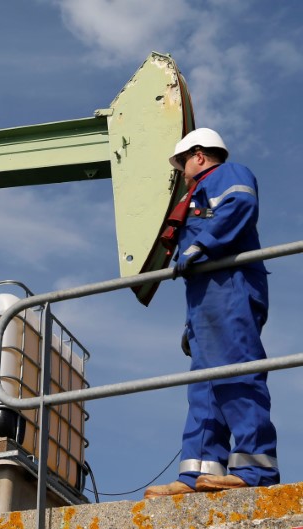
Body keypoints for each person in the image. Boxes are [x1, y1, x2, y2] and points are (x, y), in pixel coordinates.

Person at [144, 128, 279, 499]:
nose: (182, 172)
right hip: (205, 298)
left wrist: (202, 243)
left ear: (200, 155)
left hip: (231, 288)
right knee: (204, 386)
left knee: (237, 373)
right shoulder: (196, 192)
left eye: (183, 163)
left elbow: (240, 206)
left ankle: (255, 468)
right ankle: (198, 472)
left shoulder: (228, 174)